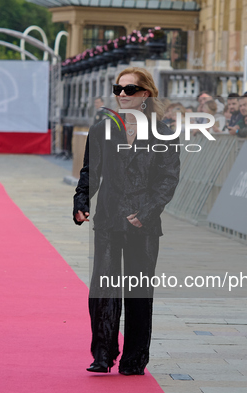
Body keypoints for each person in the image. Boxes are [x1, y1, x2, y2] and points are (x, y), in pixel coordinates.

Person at [73, 67, 180, 376]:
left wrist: (146, 212)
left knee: (138, 292)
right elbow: (90, 172)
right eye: (118, 89)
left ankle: (134, 359)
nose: (121, 94)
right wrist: (81, 203)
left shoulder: (165, 132)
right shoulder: (102, 129)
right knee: (103, 287)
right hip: (108, 216)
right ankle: (103, 354)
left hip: (143, 222)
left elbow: (168, 180)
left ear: (145, 94)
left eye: (129, 90)